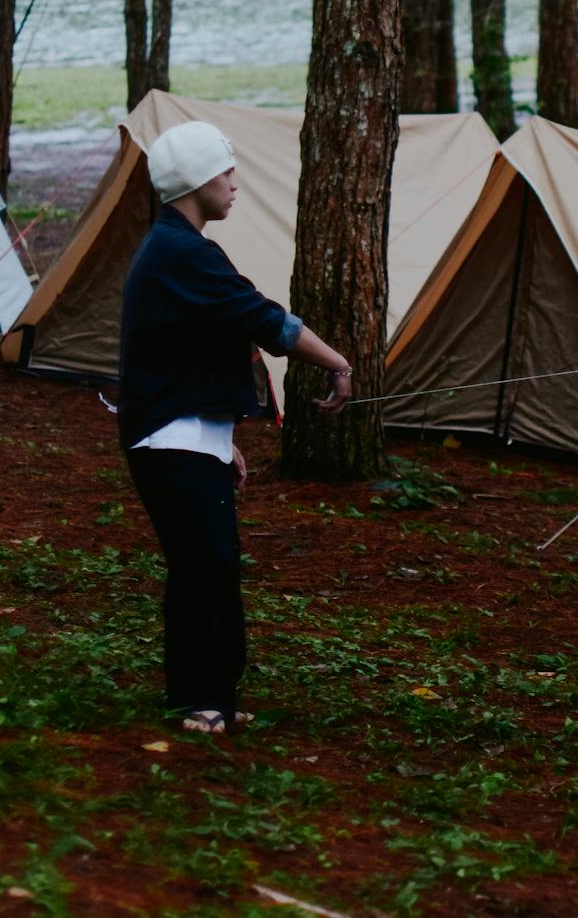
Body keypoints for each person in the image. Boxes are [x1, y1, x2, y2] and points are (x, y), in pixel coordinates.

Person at [118, 120, 355, 734]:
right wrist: (337, 364)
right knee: (207, 569)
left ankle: (204, 694)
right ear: (198, 179)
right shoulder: (181, 252)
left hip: (185, 438)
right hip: (169, 441)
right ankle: (201, 700)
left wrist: (221, 444)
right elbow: (262, 319)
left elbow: (196, 347)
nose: (235, 184)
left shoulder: (179, 247)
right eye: (227, 172)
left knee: (206, 568)